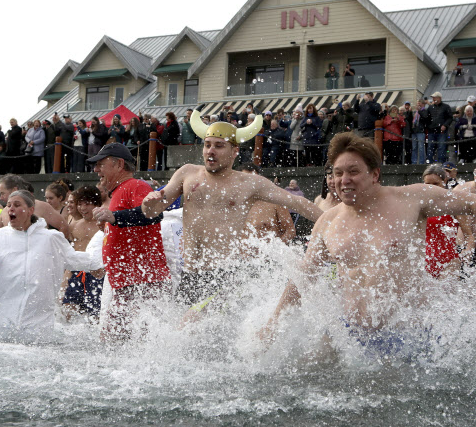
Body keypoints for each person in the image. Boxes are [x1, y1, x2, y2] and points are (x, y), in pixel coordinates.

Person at [258, 132, 476, 351]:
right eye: (338, 173)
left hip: (407, 333)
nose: (343, 180)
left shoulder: (410, 199)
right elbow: (304, 277)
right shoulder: (328, 221)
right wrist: (272, 323)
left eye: (353, 171)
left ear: (375, 174)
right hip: (349, 336)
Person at [141, 109, 322, 306]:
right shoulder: (187, 174)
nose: (211, 151)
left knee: (192, 326)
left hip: (225, 277)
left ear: (234, 151)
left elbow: (297, 202)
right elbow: (152, 211)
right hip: (190, 276)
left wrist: (335, 221)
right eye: (207, 145)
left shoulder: (248, 183)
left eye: (219, 146)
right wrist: (148, 203)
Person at [0, 190, 98, 338]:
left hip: (40, 323)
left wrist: (99, 262)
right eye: (9, 205)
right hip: (5, 318)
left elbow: (73, 259)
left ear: (31, 210)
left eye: (17, 205)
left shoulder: (50, 237)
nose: (10, 208)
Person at [88, 143, 171, 341]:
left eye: (100, 164)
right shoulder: (118, 191)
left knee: (129, 345)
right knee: (114, 344)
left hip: (144, 284)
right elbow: (128, 223)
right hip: (129, 284)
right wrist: (109, 226)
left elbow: (153, 215)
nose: (96, 170)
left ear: (119, 164)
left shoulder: (136, 185)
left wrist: (114, 218)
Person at [62, 186, 104, 320]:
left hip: (97, 274)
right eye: (80, 204)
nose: (83, 208)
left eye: (87, 204)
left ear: (97, 205)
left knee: (95, 314)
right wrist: (66, 276)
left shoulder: (103, 225)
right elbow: (72, 252)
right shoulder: (74, 226)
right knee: (68, 310)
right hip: (77, 273)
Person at [0, 174, 69, 238]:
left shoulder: (40, 206)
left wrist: (55, 250)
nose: (1, 198)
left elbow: (64, 226)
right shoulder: (5, 211)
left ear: (14, 190)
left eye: (3, 193)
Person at [422, 164, 463, 279]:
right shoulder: (419, 204)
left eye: (435, 184)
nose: (431, 188)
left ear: (444, 181)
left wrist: (464, 250)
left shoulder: (454, 202)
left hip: (449, 260)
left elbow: (468, 232)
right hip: (424, 260)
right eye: (428, 184)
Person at [240, 163, 295, 244]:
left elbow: (290, 231)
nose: (250, 182)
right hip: (242, 254)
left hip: (269, 253)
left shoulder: (274, 202)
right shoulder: (234, 205)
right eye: (245, 179)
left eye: (253, 178)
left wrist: (275, 248)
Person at [426, 92, 452, 164]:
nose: (433, 99)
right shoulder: (430, 107)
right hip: (432, 131)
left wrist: (445, 125)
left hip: (441, 131)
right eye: (433, 98)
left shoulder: (446, 107)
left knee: (441, 147)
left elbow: (450, 117)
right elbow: (427, 118)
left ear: (439, 98)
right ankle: (430, 163)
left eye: (435, 97)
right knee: (430, 148)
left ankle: (441, 163)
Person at [411, 99, 429, 165]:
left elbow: (425, 117)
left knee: (421, 147)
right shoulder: (415, 112)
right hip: (414, 131)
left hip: (421, 131)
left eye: (420, 103)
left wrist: (419, 111)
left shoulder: (424, 111)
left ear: (423, 104)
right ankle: (414, 162)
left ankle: (421, 162)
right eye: (418, 103)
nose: (418, 104)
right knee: (414, 147)